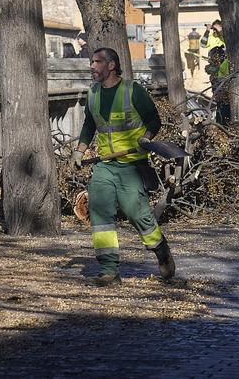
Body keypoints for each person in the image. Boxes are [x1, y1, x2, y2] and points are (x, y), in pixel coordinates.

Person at [74, 47, 175, 286]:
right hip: (104, 165)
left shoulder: (133, 91)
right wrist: (79, 151)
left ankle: (160, 249)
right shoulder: (93, 93)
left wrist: (146, 138)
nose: (92, 66)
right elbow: (89, 124)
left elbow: (154, 120)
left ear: (111, 65)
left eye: (97, 62)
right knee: (99, 213)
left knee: (137, 214)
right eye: (91, 62)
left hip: (131, 165)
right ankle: (109, 269)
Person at [205, 45, 232, 125]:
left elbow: (221, 80)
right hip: (220, 99)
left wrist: (213, 70)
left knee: (223, 121)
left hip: (225, 98)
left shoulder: (225, 64)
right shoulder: (221, 64)